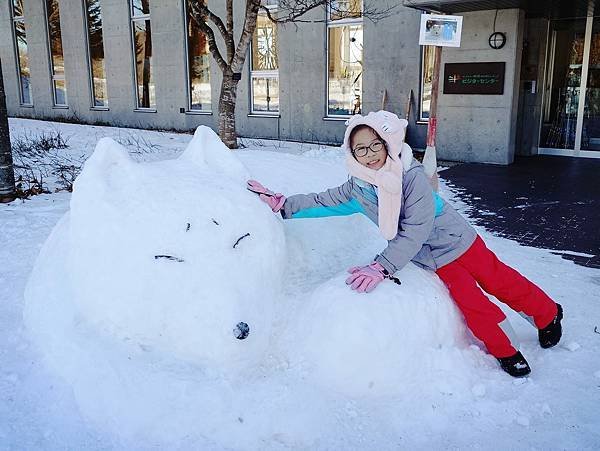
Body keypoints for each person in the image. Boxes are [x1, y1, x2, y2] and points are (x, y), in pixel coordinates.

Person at [247, 110, 563, 378]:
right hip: (434, 258)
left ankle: (548, 314)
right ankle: (504, 351)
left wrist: (381, 266)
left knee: (502, 282)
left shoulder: (411, 178)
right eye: (361, 149)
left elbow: (414, 230)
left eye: (375, 146)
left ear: (388, 144)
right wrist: (283, 203)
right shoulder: (358, 187)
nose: (370, 154)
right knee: (472, 303)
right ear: (352, 154)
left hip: (460, 242)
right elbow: (322, 200)